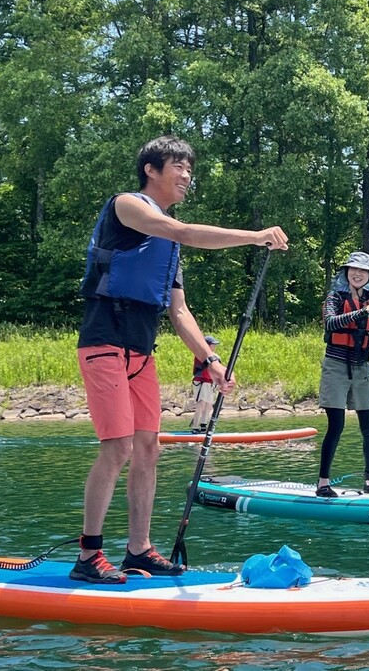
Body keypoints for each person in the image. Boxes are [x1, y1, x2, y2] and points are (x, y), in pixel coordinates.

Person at [72, 135, 288, 584]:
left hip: (141, 351)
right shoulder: (127, 206)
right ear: (151, 169)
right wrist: (255, 237)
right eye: (178, 166)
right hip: (104, 341)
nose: (187, 176)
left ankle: (139, 550)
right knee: (118, 447)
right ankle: (89, 555)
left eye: (190, 169)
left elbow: (179, 311)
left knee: (148, 447)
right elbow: (183, 231)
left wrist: (210, 359)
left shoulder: (168, 249)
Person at [315, 251, 369, 498]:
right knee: (336, 426)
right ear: (346, 273)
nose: (357, 274)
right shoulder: (334, 297)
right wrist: (362, 313)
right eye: (354, 270)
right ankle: (323, 484)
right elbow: (331, 323)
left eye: (363, 271)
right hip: (336, 366)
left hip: (363, 367)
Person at [190, 335, 220, 433]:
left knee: (208, 405)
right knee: (201, 404)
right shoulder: (200, 354)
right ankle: (194, 427)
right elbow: (208, 362)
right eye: (213, 344)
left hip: (208, 383)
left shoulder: (213, 355)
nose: (214, 346)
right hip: (201, 382)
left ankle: (203, 426)